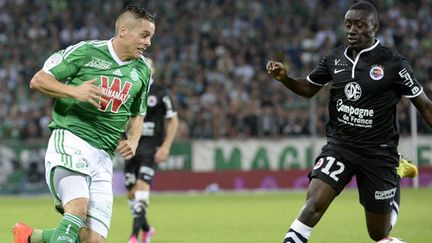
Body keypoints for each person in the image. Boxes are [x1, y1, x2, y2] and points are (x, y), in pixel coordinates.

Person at [266, 2, 432, 242]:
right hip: (340, 147)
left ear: (375, 27)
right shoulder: (334, 59)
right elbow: (309, 88)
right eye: (348, 25)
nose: (352, 30)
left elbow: (425, 106)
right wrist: (286, 79)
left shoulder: (395, 64)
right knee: (313, 207)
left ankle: (396, 171)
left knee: (379, 235)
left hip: (378, 153)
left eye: (360, 25)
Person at [13, 5, 156, 243]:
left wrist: (133, 139)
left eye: (151, 36)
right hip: (72, 140)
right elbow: (39, 80)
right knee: (78, 208)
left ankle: (28, 237)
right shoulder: (86, 52)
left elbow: (138, 114)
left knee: (92, 239)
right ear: (123, 31)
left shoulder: (142, 70)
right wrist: (73, 91)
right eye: (144, 35)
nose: (148, 42)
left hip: (104, 158)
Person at [124, 57, 179, 243]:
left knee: (141, 189)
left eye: (149, 65)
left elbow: (173, 119)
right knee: (131, 193)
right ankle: (147, 229)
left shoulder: (161, 93)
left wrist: (166, 146)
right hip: (132, 147)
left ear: (153, 70)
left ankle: (134, 236)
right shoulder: (129, 90)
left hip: (151, 148)